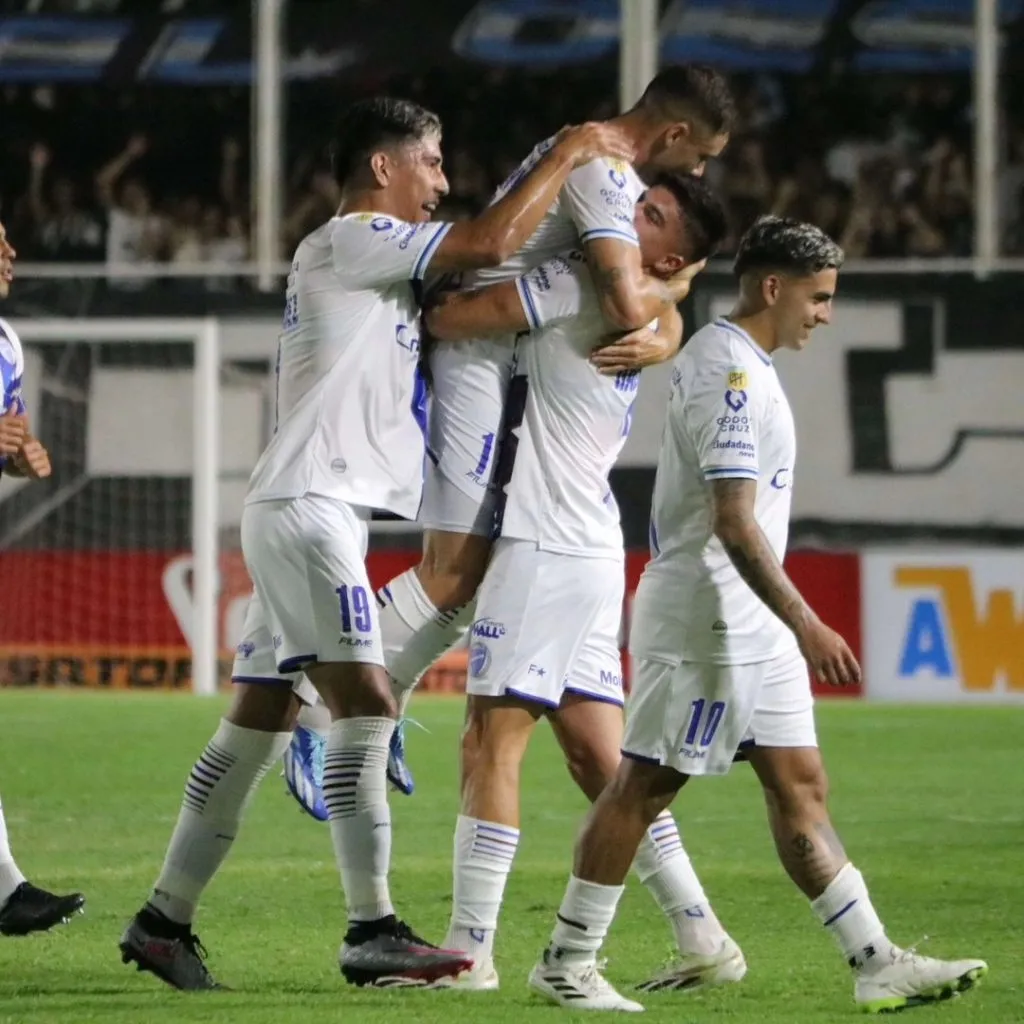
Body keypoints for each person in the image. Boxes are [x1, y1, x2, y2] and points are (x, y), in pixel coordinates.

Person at [118, 96, 638, 992]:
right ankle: (373, 929)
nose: (442, 181)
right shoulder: (353, 237)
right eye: (430, 162)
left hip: (314, 506)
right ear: (382, 167)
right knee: (363, 703)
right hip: (309, 505)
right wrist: (568, 154)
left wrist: (659, 309)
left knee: (259, 721)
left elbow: (481, 278)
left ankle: (164, 920)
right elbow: (489, 242)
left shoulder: (380, 262)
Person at [528, 216, 989, 1013]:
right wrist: (808, 622)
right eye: (818, 297)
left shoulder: (747, 364)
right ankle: (566, 961)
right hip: (708, 616)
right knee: (644, 785)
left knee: (800, 782)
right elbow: (734, 522)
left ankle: (875, 960)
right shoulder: (729, 373)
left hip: (750, 624)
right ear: (773, 288)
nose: (826, 315)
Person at [283, 64, 736, 810]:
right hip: (474, 358)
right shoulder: (604, 175)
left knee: (469, 579)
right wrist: (672, 300)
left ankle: (380, 699)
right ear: (677, 133)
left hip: (497, 362)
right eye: (703, 155)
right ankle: (312, 703)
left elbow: (636, 290)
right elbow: (626, 300)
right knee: (452, 571)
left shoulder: (594, 160)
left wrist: (671, 319)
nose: (699, 171)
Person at [415, 174, 738, 994]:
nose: (627, 212)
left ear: (666, 256)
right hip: (587, 540)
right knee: (603, 760)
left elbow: (449, 319)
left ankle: (469, 952)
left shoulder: (582, 283)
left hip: (543, 541)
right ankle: (701, 931)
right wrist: (672, 305)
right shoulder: (639, 297)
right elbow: (667, 286)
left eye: (650, 215)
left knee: (488, 741)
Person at [0, 218, 84, 937]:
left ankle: (7, 890)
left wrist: (19, 456)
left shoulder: (7, 343)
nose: (10, 253)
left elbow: (11, 434)